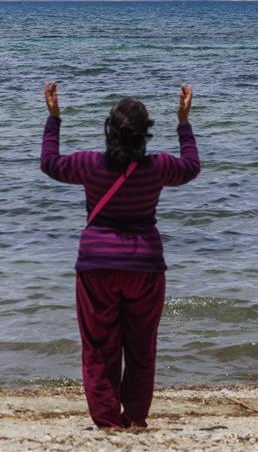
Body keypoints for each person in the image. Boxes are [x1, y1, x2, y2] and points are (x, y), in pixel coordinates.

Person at [40, 81, 200, 430]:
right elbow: (191, 167)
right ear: (146, 133)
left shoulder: (88, 165)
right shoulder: (158, 167)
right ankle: (136, 417)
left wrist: (54, 117)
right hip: (145, 266)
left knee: (99, 346)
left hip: (98, 266)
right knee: (141, 348)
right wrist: (184, 122)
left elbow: (50, 163)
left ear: (109, 130)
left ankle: (109, 420)